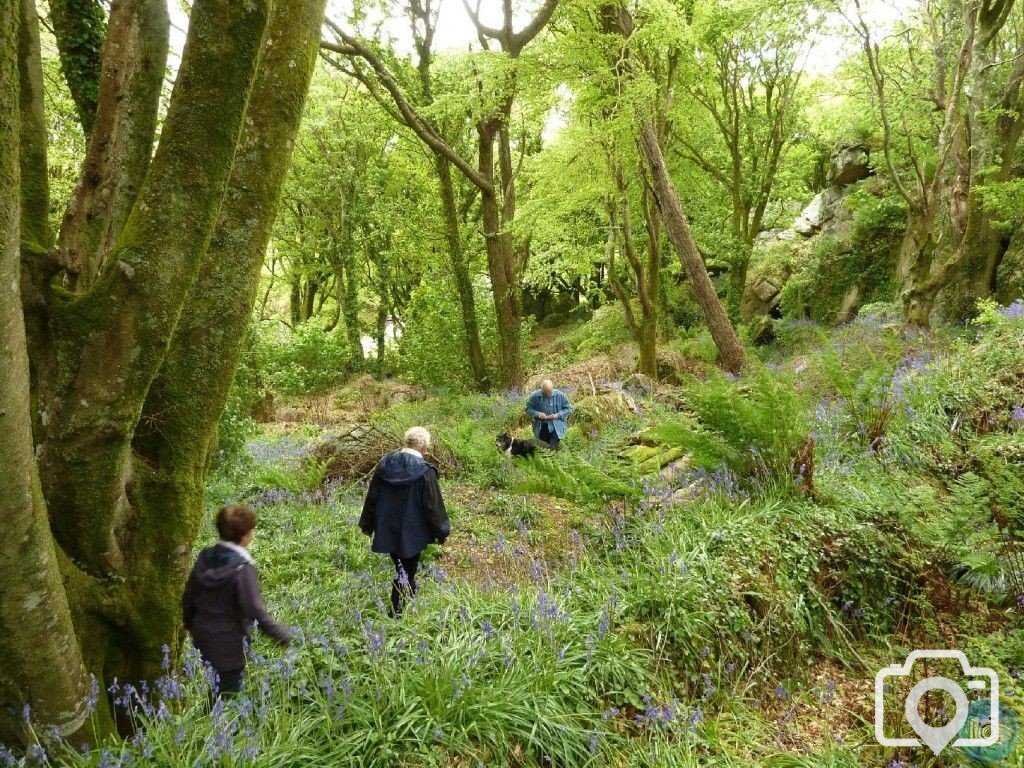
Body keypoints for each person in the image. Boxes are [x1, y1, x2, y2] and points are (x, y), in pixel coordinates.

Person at [182, 505, 291, 697]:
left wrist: (189, 624)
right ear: (245, 535)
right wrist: (281, 635)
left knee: (216, 682)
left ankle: (208, 720)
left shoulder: (205, 557)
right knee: (228, 692)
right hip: (229, 640)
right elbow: (254, 608)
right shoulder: (242, 568)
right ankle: (212, 724)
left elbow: (190, 594)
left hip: (202, 634)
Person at [360, 426, 450, 616]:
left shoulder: (385, 464)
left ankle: (409, 594)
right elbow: (433, 505)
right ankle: (396, 613)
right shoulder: (425, 471)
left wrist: (367, 524)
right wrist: (442, 531)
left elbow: (372, 497)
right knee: (406, 570)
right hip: (412, 531)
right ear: (424, 446)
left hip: (387, 527)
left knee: (402, 565)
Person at [525, 379, 573, 450]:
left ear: (552, 388)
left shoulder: (560, 395)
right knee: (544, 448)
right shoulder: (534, 396)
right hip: (541, 426)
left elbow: (569, 408)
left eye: (549, 392)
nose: (547, 394)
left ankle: (554, 459)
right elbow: (527, 408)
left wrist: (557, 415)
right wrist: (537, 413)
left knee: (553, 448)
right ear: (541, 390)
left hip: (556, 426)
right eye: (545, 393)